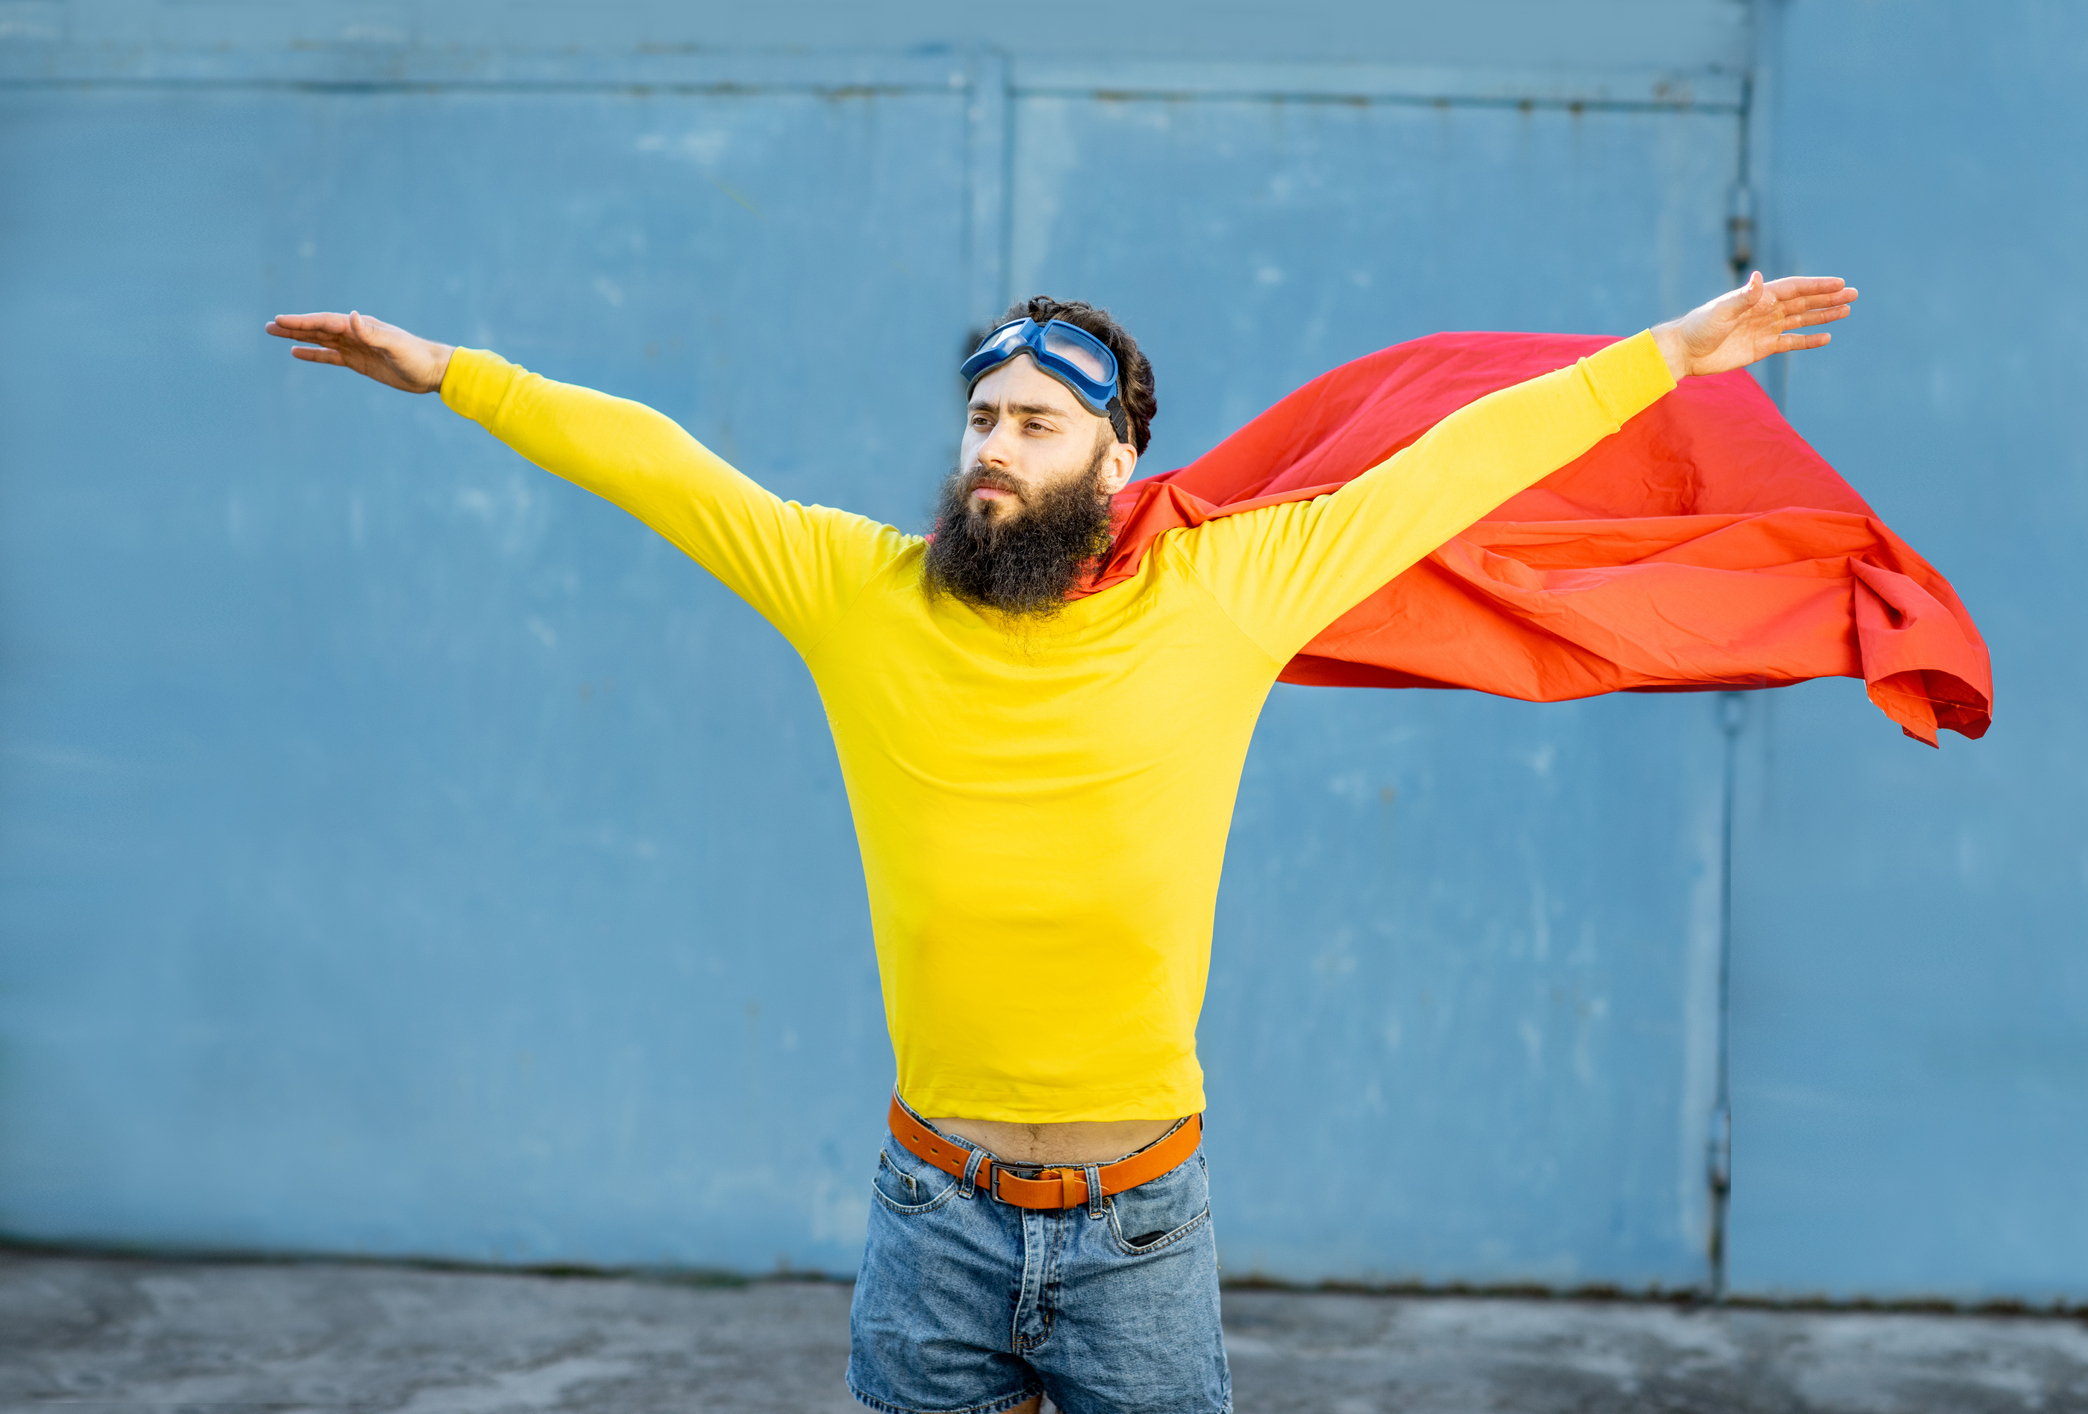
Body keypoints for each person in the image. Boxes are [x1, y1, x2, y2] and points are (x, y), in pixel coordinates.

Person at [268, 273, 1854, 1414]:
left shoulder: (1232, 590)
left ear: (1118, 459)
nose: (996, 446)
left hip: (1140, 1226)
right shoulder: (854, 590)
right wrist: (448, 371)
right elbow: (660, 463)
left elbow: (1452, 465)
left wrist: (1674, 351)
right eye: (981, 416)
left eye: (1038, 421)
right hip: (930, 1212)